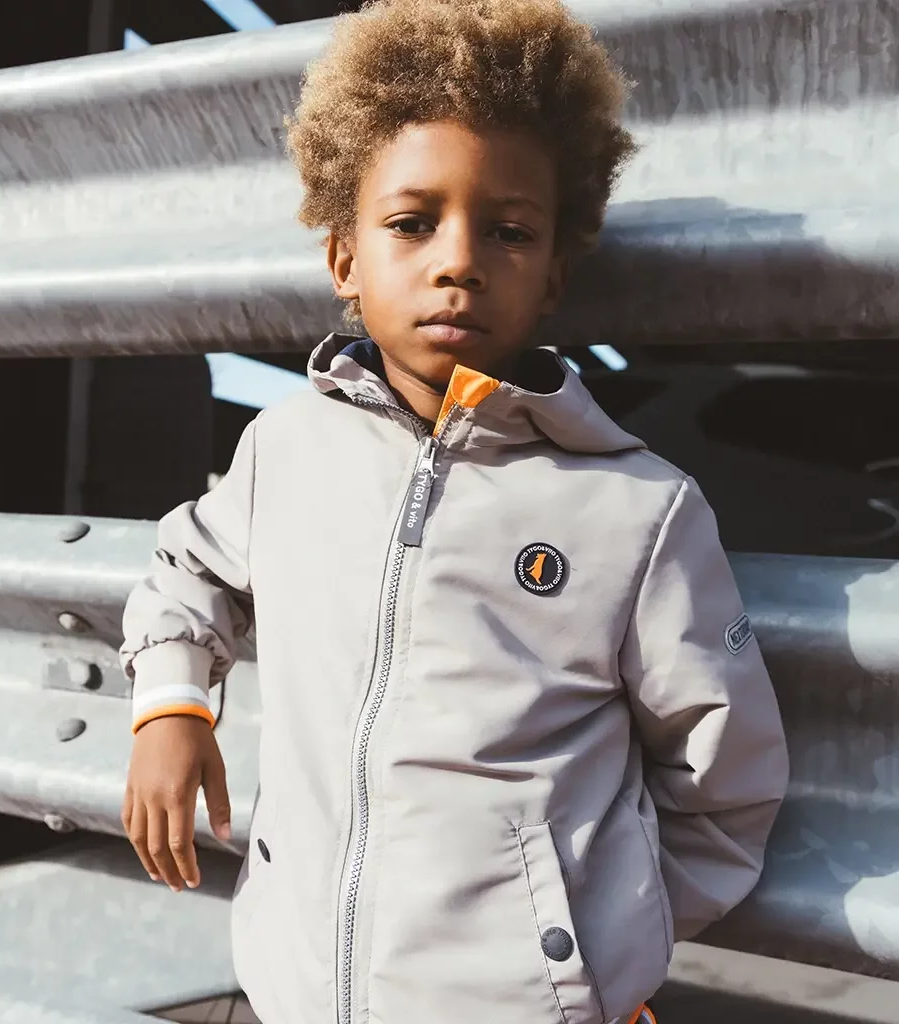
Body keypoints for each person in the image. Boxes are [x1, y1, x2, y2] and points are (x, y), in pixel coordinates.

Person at [119, 1, 790, 1022]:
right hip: (295, 992)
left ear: (554, 271)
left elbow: (723, 774)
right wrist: (172, 707)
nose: (458, 259)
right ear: (344, 258)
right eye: (411, 222)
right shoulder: (285, 450)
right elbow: (189, 570)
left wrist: (593, 960)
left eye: (509, 231)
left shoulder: (636, 509)